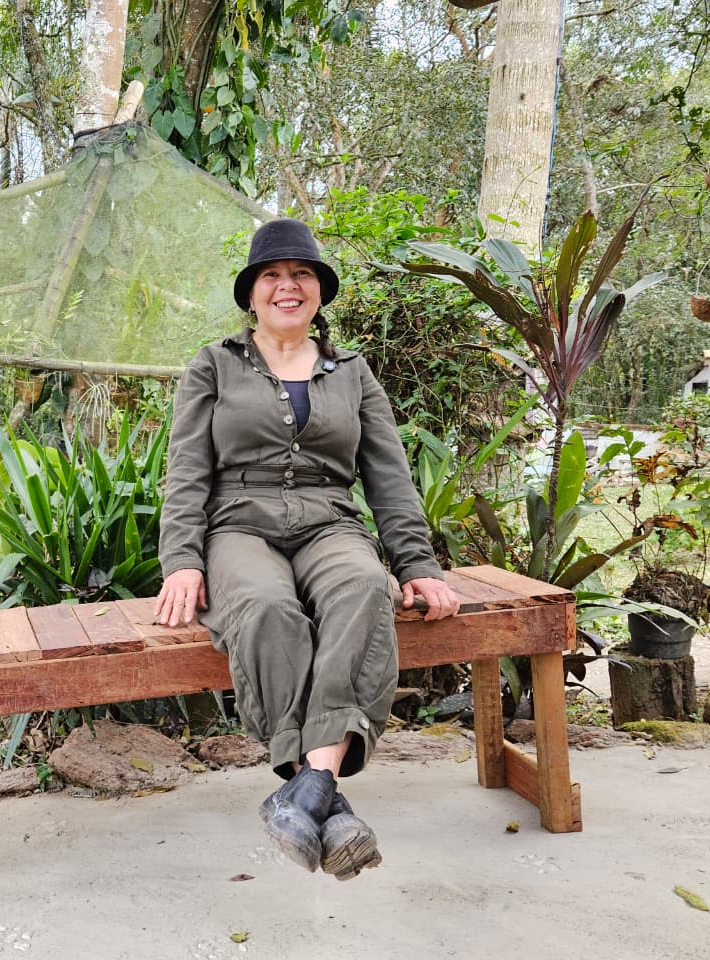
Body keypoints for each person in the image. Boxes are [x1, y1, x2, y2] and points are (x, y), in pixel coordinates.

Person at [154, 218, 460, 880]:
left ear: (319, 291)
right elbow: (186, 472)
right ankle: (329, 801)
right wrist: (181, 561)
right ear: (251, 293)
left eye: (302, 274)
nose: (287, 286)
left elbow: (388, 477)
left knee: (364, 588)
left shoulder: (353, 372)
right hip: (238, 524)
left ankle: (309, 788)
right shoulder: (214, 365)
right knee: (266, 607)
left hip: (329, 522)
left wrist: (417, 565)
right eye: (272, 275)